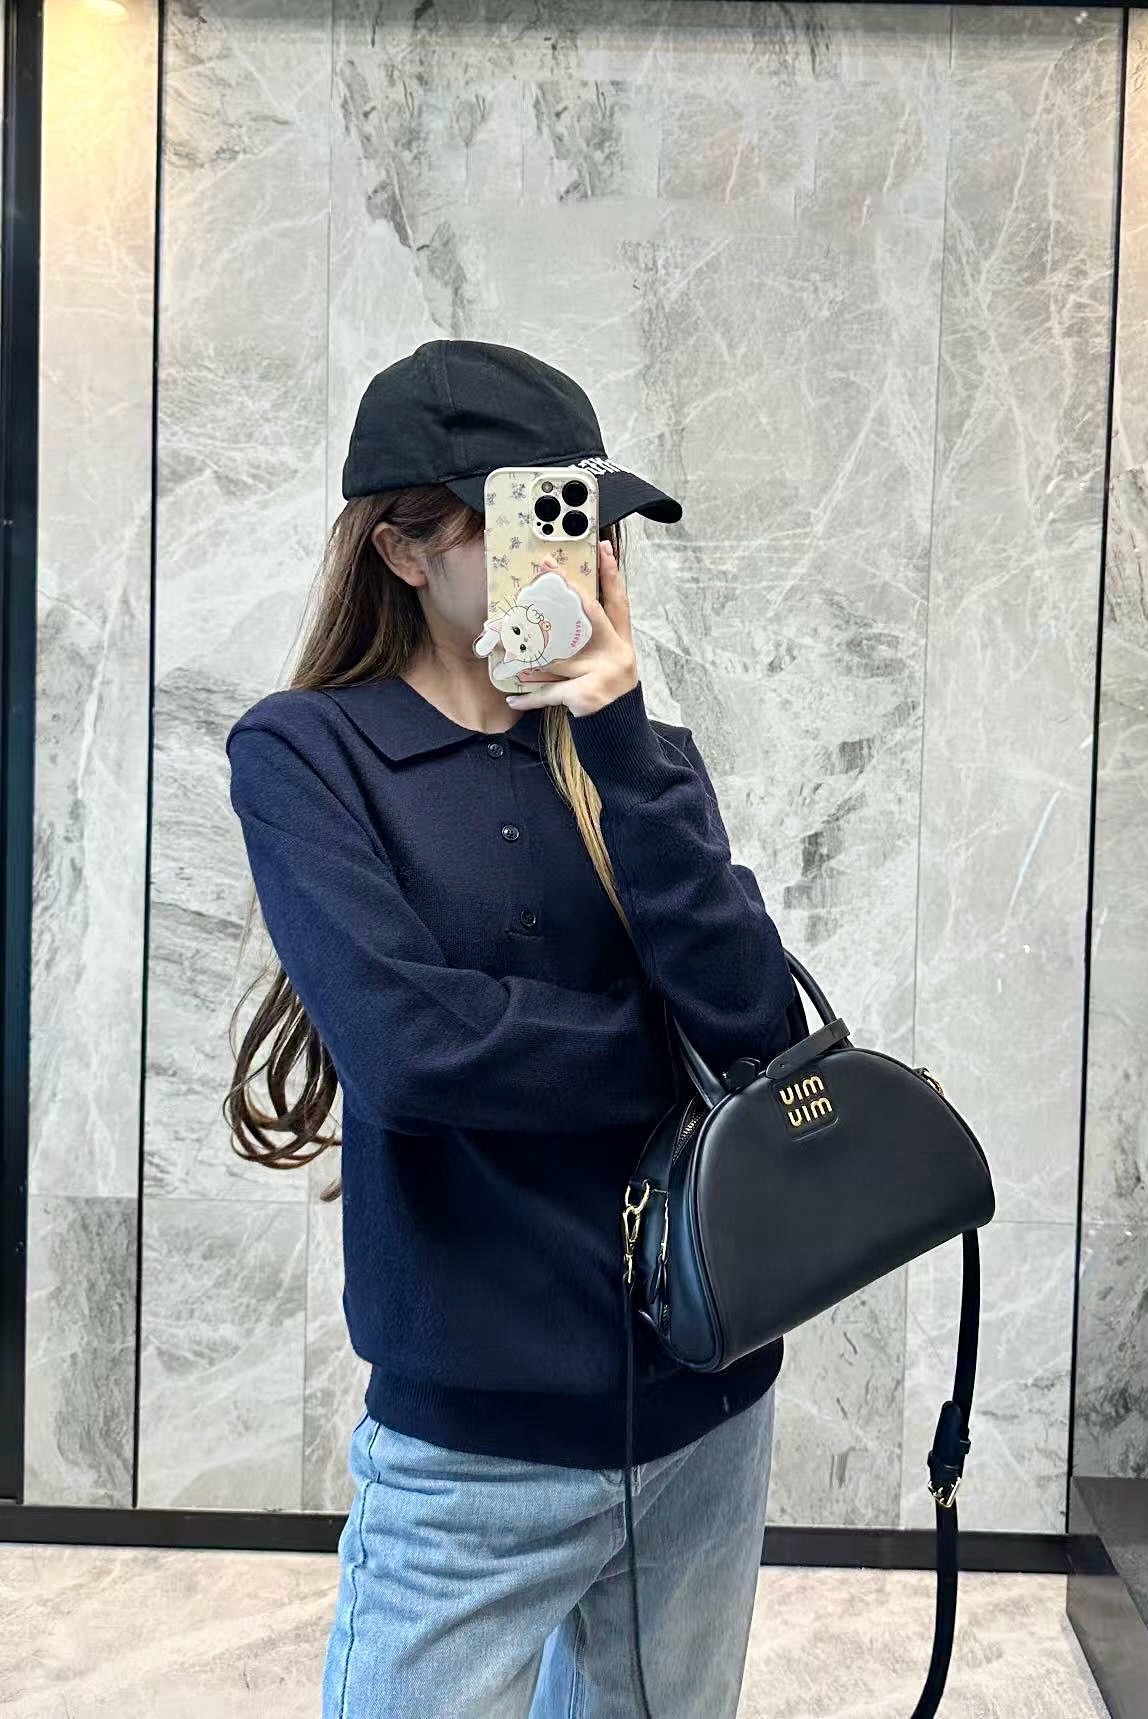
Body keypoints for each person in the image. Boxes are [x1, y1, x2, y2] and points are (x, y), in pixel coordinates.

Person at [223, 339, 798, 1718]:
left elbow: (755, 1030)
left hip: (707, 1412)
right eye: (537, 522)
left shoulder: (637, 759)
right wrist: (662, 1056)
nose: (583, 557)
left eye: (594, 520)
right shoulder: (308, 754)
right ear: (405, 551)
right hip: (474, 1444)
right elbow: (411, 1054)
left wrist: (616, 734)